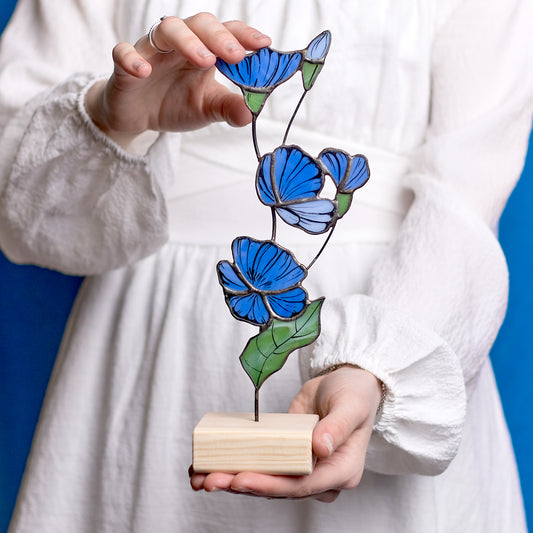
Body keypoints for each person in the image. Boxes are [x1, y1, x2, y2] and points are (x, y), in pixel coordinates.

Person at [0, 0, 531, 531]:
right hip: (149, 348)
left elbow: (464, 201)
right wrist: (113, 117)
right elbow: (18, 210)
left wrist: (378, 367)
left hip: (394, 328)